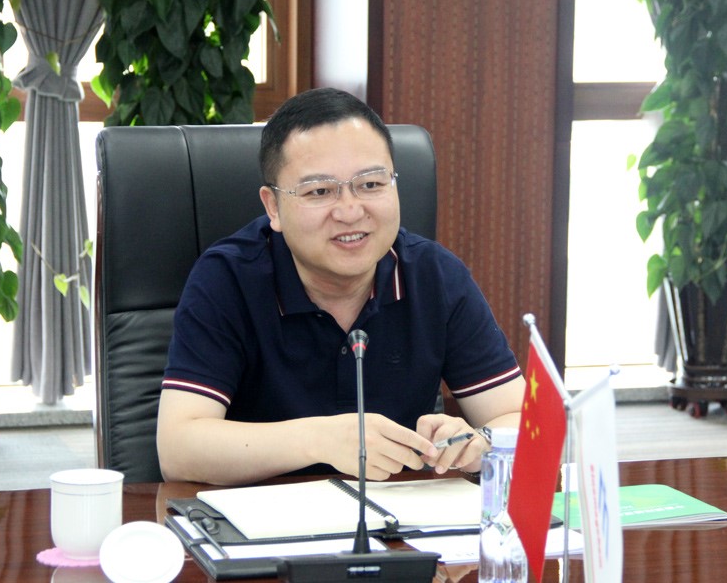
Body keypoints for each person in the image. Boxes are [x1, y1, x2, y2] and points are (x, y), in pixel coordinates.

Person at [157, 88, 525, 485]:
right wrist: (321, 439)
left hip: (397, 517)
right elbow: (178, 449)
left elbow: (523, 419)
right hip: (263, 516)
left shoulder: (435, 276)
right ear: (273, 207)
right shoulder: (226, 280)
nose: (350, 211)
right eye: (319, 191)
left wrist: (480, 442)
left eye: (371, 184)